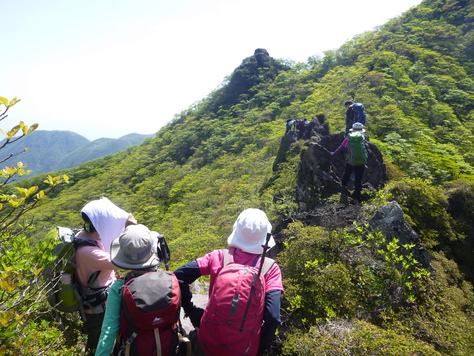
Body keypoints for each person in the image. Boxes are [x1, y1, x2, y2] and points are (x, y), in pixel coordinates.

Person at [174, 208, 284, 355]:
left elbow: (178, 277)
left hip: (208, 341)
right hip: (245, 348)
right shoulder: (270, 268)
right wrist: (261, 349)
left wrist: (192, 312)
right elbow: (273, 316)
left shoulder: (218, 257)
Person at [76, 197, 136, 355]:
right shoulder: (89, 252)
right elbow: (125, 261)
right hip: (97, 309)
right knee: (99, 346)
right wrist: (132, 230)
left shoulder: (85, 236)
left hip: (101, 301)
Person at [95, 224, 161, 356]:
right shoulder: (168, 279)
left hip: (133, 348)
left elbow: (109, 330)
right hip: (166, 347)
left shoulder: (119, 288)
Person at [331, 122, 368, 201]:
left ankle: (343, 191)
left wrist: (333, 154)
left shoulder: (348, 138)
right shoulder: (363, 137)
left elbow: (341, 147)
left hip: (351, 161)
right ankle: (357, 196)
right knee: (358, 179)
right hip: (361, 162)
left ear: (353, 130)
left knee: (346, 175)